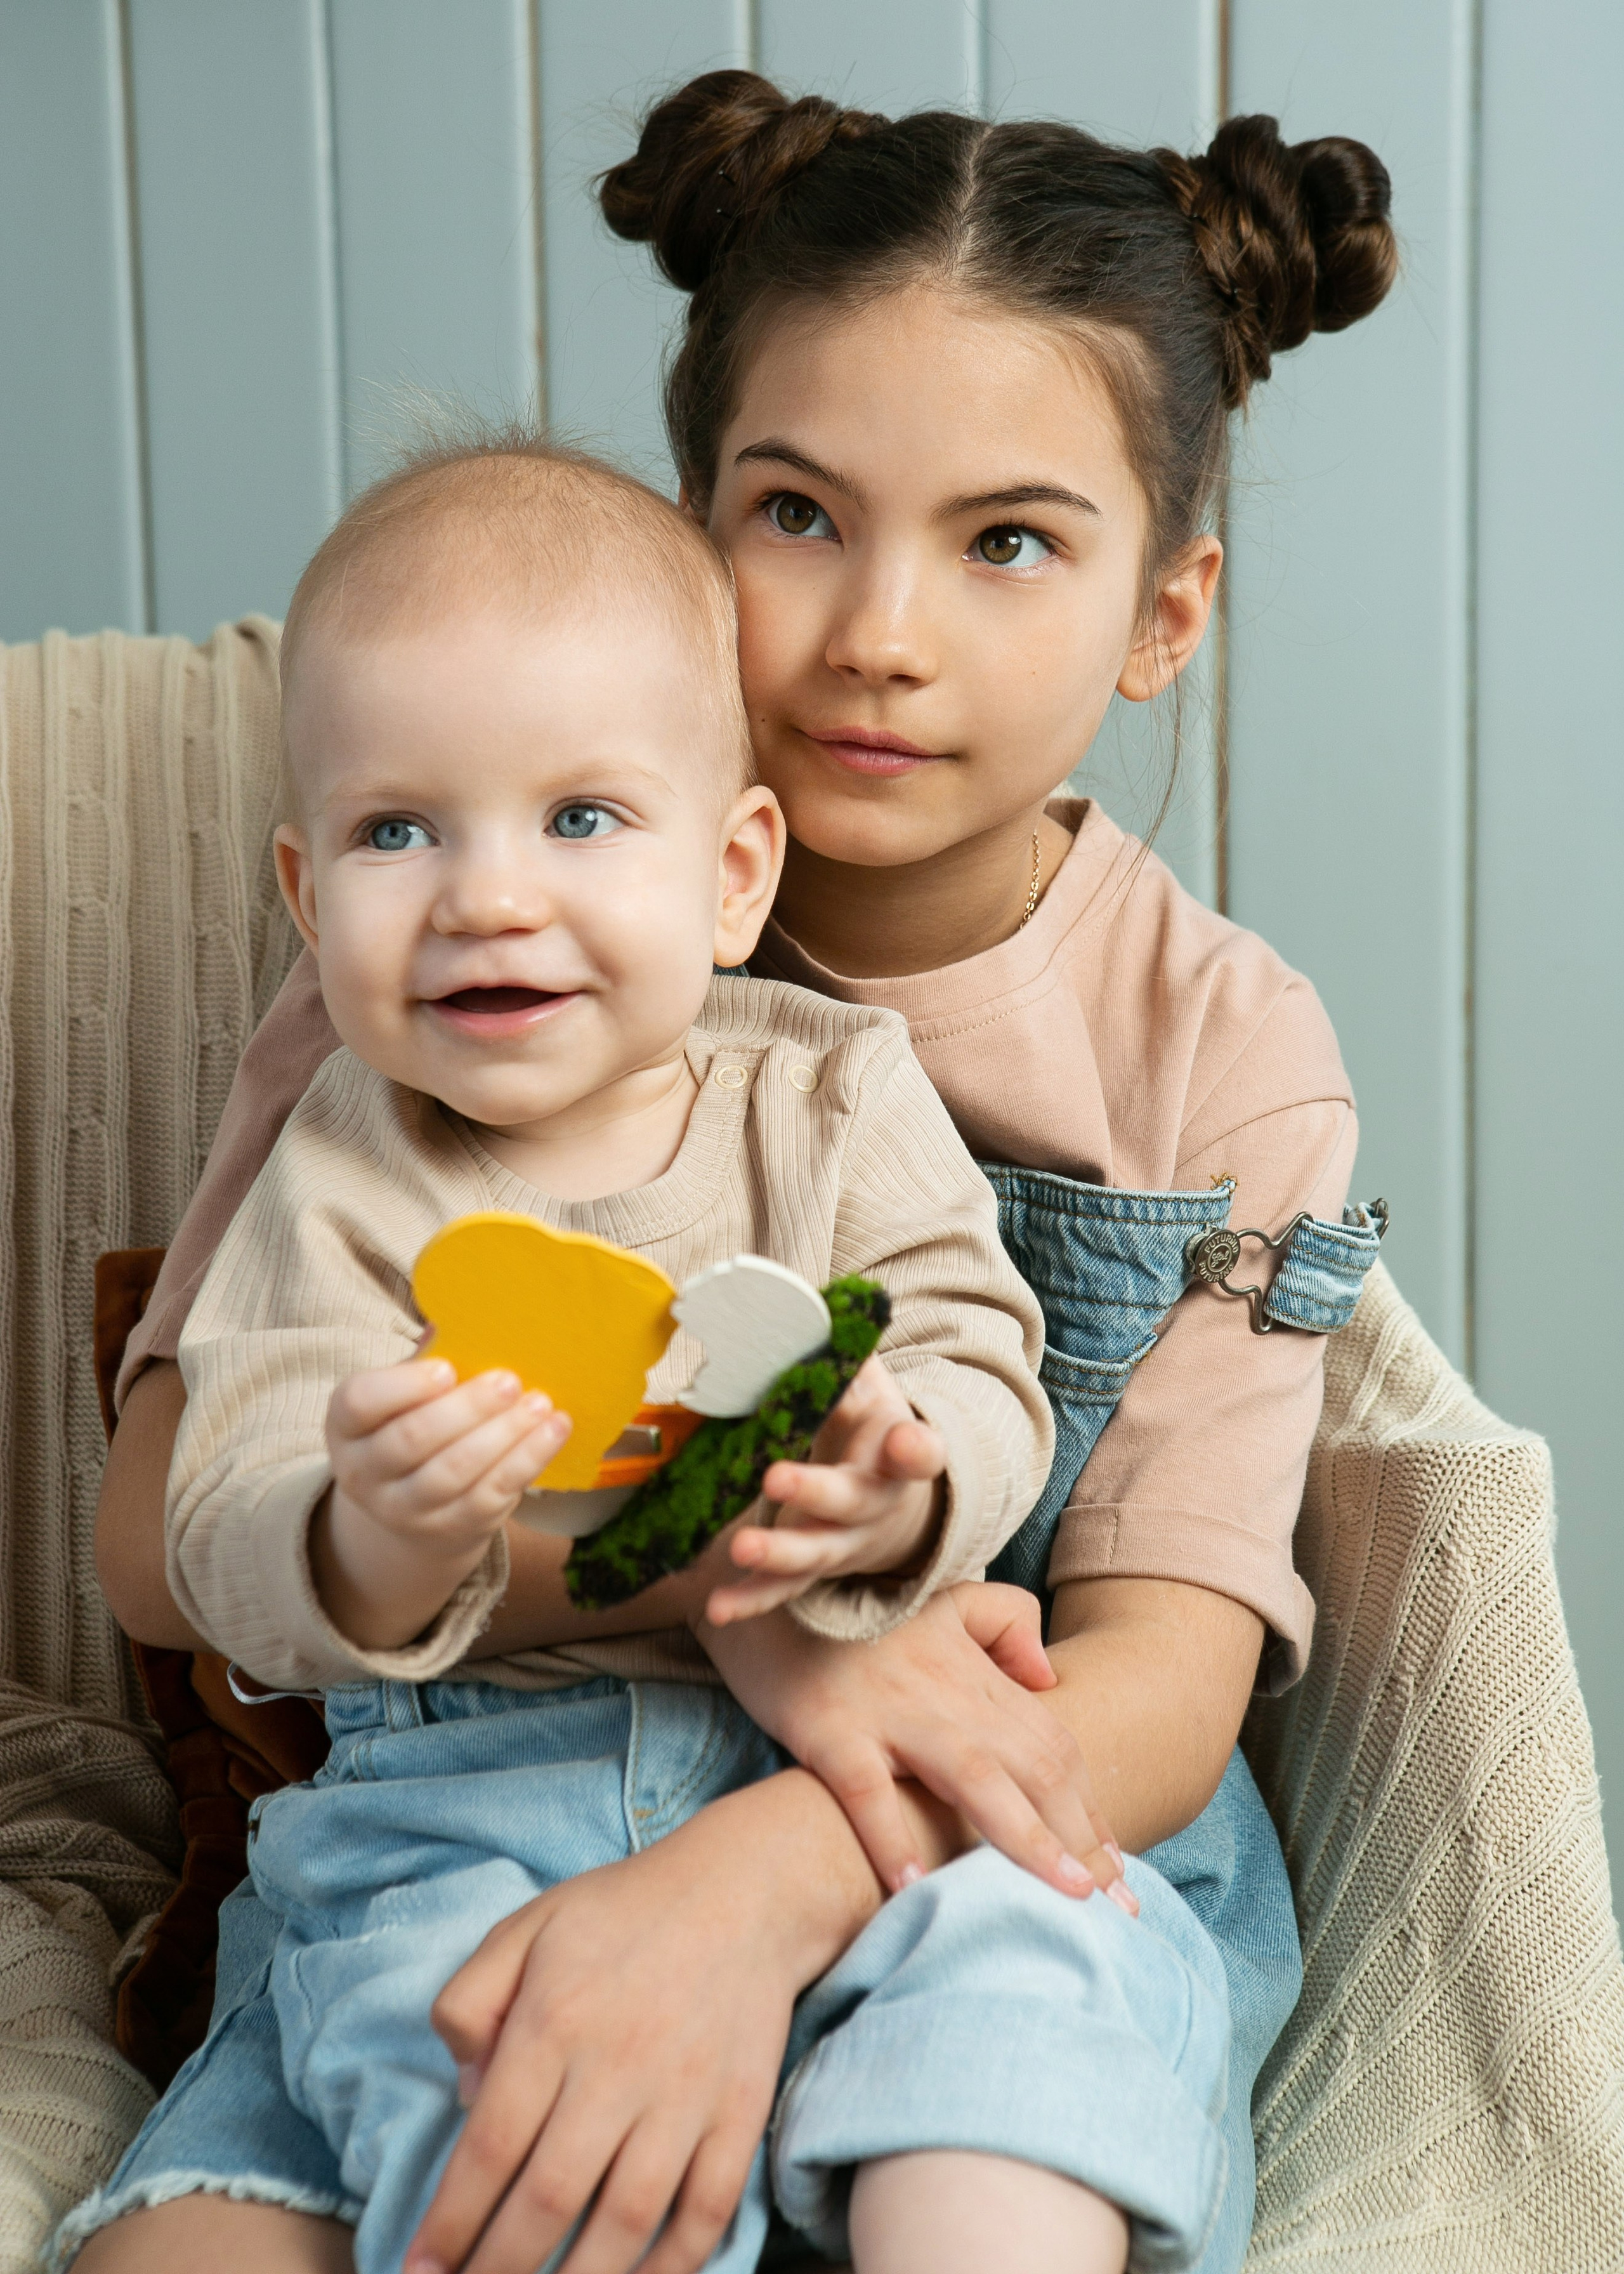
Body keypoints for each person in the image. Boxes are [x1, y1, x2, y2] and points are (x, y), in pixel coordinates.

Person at [84, 71, 1397, 2274]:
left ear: (1166, 611)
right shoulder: (451, 966)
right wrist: (711, 1598)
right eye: (799, 514)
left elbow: (1167, 1668)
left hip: (991, 1831)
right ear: (691, 523)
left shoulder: (1222, 1051)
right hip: (477, 1803)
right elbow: (154, 1538)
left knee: (1000, 2121)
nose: (884, 628)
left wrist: (756, 1878)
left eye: (1008, 542)